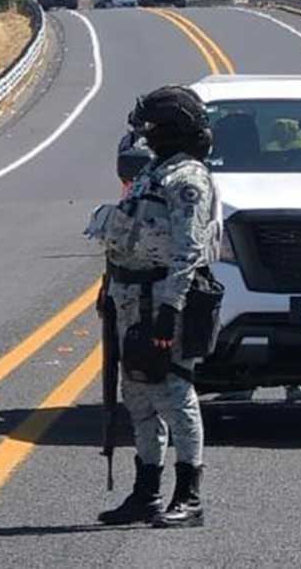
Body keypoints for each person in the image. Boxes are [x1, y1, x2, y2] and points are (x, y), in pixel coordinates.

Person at [97, 85, 222, 528]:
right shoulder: (155, 173)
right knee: (138, 394)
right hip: (131, 300)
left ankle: (189, 495)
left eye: (150, 126)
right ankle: (146, 491)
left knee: (173, 392)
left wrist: (171, 307)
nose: (144, 134)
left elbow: (188, 249)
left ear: (170, 128)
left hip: (164, 300)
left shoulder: (187, 179)